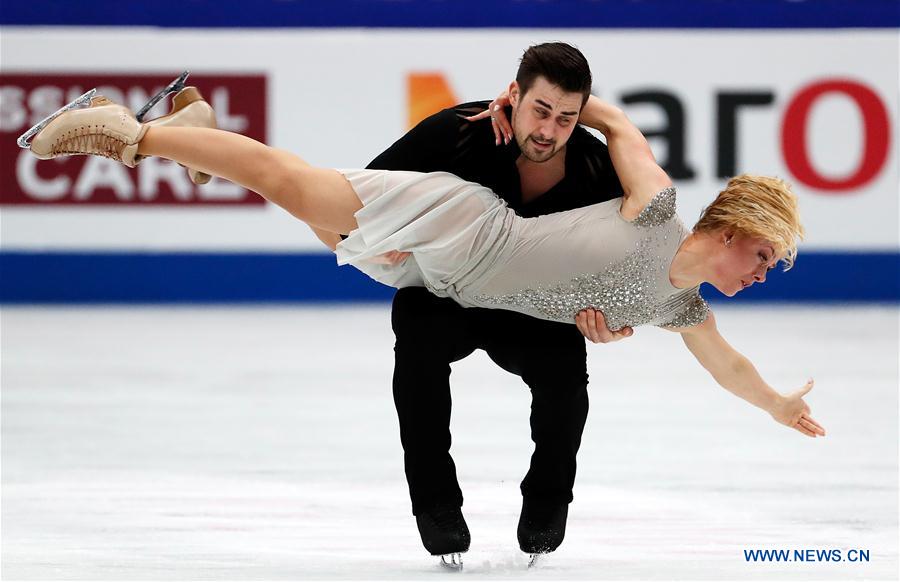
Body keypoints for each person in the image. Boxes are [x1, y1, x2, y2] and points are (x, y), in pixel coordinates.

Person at [20, 75, 827, 560]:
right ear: (730, 232)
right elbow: (614, 123)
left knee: (318, 221)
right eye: (762, 258)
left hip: (458, 280)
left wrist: (778, 404)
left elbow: (727, 365)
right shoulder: (659, 211)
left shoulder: (675, 303)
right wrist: (536, 109)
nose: (762, 276)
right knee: (304, 190)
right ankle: (130, 132)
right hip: (468, 225)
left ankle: (192, 133)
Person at [308, 43, 627, 562]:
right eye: (540, 111)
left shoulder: (596, 169)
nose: (548, 131)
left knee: (567, 371)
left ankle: (548, 501)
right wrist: (383, 231)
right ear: (514, 94)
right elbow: (359, 196)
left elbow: (623, 256)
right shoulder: (457, 130)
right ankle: (434, 503)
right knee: (414, 336)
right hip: (445, 295)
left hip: (529, 307)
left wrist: (608, 316)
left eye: (567, 118)